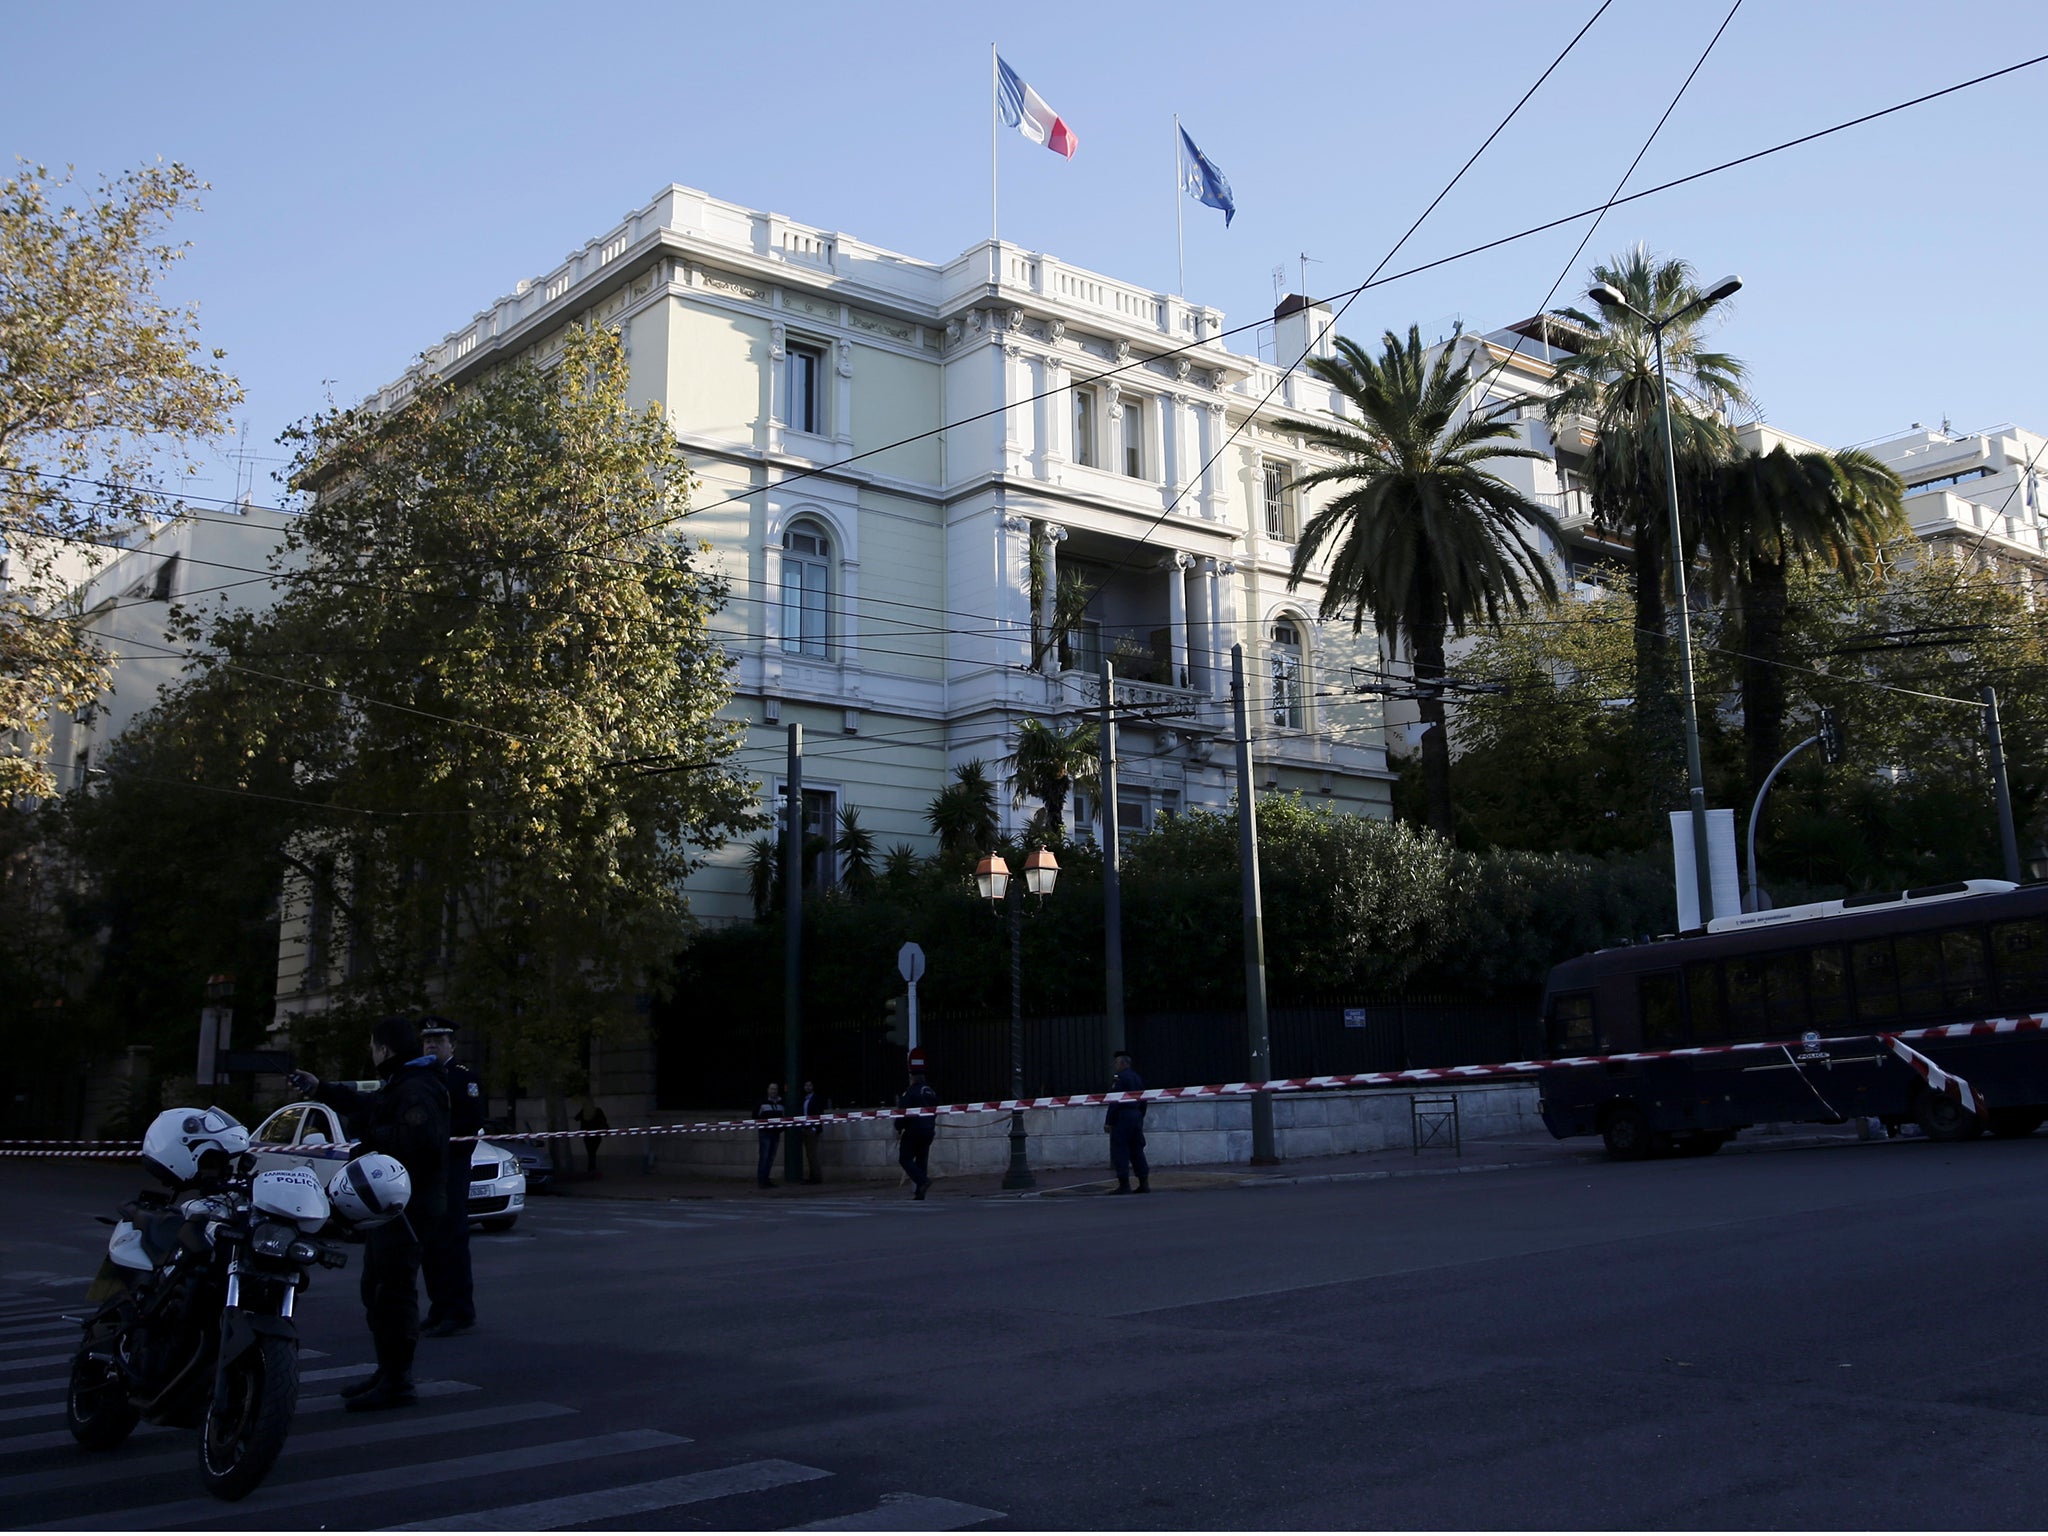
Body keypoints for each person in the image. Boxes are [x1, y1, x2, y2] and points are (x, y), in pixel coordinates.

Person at [286, 1016, 448, 1412]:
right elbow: (370, 1103)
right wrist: (322, 1089)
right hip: (389, 1205)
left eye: (374, 1046)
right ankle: (387, 1370)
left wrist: (372, 1143)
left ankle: (398, 1381)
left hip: (404, 1207)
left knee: (393, 1293)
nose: (372, 1053)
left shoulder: (417, 1086)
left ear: (385, 1049)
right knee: (376, 1287)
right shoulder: (403, 1082)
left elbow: (419, 1141)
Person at [418, 1018, 480, 1339]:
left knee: (453, 1239)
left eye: (438, 1040)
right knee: (430, 1242)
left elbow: (470, 1123)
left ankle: (459, 1310)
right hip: (426, 1169)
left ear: (451, 1045)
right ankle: (438, 1307)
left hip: (452, 1167)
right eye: (427, 1040)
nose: (431, 1045)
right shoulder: (418, 1076)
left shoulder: (462, 1078)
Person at [1105, 1049, 1150, 1195]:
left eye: (1117, 1062)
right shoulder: (1137, 1077)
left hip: (1122, 1117)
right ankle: (1144, 1182)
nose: (1115, 1065)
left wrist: (1109, 1121)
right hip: (1136, 1116)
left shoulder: (1119, 1077)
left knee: (1121, 1150)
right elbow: (1144, 1099)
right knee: (1137, 1150)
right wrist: (1139, 1115)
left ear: (1122, 1063)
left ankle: (1124, 1184)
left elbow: (1115, 1100)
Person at [894, 1051, 938, 1200]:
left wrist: (898, 1127)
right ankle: (920, 1192)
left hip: (914, 1130)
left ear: (911, 1075)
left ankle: (922, 1181)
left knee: (905, 1158)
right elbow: (936, 1109)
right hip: (928, 1130)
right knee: (921, 1159)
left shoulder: (910, 1092)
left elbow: (902, 1114)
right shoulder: (929, 1090)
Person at [794, 1080, 827, 1185]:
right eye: (806, 1085)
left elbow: (819, 1113)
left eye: (810, 1085)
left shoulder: (816, 1099)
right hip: (805, 1128)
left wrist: (814, 1128)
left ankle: (816, 1178)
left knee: (812, 1154)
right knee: (809, 1154)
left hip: (812, 1129)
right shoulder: (804, 1099)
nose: (808, 1087)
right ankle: (812, 1176)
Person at [755, 1082, 787, 1188]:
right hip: (765, 1132)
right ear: (768, 1090)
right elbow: (755, 1115)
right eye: (772, 1089)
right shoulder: (762, 1103)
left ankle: (766, 1179)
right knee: (764, 1156)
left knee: (771, 1157)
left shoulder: (781, 1103)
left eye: (775, 1089)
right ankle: (762, 1180)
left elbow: (784, 1118)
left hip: (775, 1133)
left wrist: (781, 1129)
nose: (774, 1091)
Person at [575, 1096, 609, 1176]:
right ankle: (592, 1168)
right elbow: (604, 1120)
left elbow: (576, 1118)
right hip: (596, 1135)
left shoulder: (584, 1111)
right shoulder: (597, 1111)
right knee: (592, 1152)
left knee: (590, 1152)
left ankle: (591, 1168)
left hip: (587, 1135)